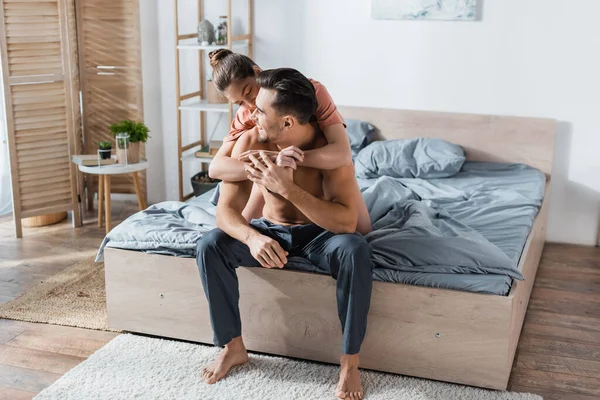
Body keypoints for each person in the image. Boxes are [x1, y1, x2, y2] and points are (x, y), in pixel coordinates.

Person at [196, 68, 373, 400]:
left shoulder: (329, 153)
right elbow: (225, 212)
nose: (251, 115)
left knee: (356, 250)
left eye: (260, 111)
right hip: (270, 231)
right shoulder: (251, 139)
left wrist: (288, 189)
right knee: (210, 245)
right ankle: (233, 347)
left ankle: (350, 362)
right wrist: (251, 237)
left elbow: (346, 222)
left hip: (321, 234)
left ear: (289, 122)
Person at [207, 49, 372, 235]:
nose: (250, 104)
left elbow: (342, 154)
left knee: (362, 231)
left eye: (249, 91)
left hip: (320, 169)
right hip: (269, 179)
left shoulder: (312, 92)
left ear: (257, 72)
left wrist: (287, 159)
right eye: (240, 102)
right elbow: (215, 168)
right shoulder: (246, 113)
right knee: (233, 232)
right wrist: (271, 164)